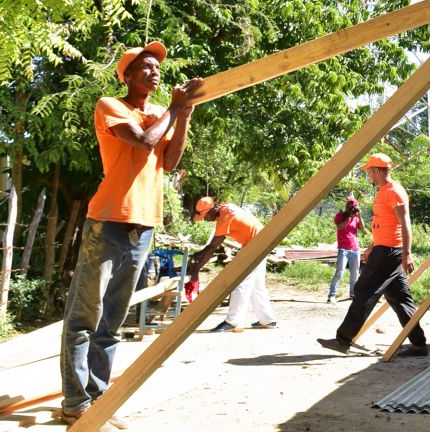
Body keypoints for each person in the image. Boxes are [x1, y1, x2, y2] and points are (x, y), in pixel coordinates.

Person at [59, 41, 204, 428]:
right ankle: (75, 402)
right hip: (108, 221)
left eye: (157, 67)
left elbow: (168, 162)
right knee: (84, 316)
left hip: (143, 226)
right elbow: (142, 143)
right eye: (145, 67)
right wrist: (174, 110)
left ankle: (98, 398)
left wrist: (183, 115)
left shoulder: (161, 113)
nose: (154, 72)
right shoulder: (111, 106)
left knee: (112, 320)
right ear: (126, 75)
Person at [317, 153, 428, 357]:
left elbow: (405, 224)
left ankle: (343, 340)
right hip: (384, 249)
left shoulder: (394, 192)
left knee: (363, 291)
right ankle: (419, 344)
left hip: (389, 252)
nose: (367, 174)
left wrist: (407, 253)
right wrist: (372, 246)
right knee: (399, 298)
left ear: (377, 171)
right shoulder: (384, 191)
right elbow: (384, 226)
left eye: (369, 170)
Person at [190, 197, 278, 332]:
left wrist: (198, 260)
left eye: (206, 215)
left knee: (241, 283)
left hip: (256, 245)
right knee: (256, 284)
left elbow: (213, 246)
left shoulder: (225, 217)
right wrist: (200, 259)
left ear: (212, 209)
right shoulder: (226, 208)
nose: (206, 219)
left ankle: (231, 322)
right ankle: (268, 319)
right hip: (261, 241)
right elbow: (213, 246)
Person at [327, 197, 365, 303]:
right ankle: (332, 295)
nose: (352, 209)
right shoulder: (340, 216)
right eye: (350, 206)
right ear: (347, 206)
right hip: (343, 249)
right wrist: (349, 217)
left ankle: (353, 294)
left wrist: (359, 215)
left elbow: (362, 229)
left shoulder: (356, 218)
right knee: (339, 272)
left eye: (354, 207)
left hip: (355, 249)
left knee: (355, 273)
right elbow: (339, 227)